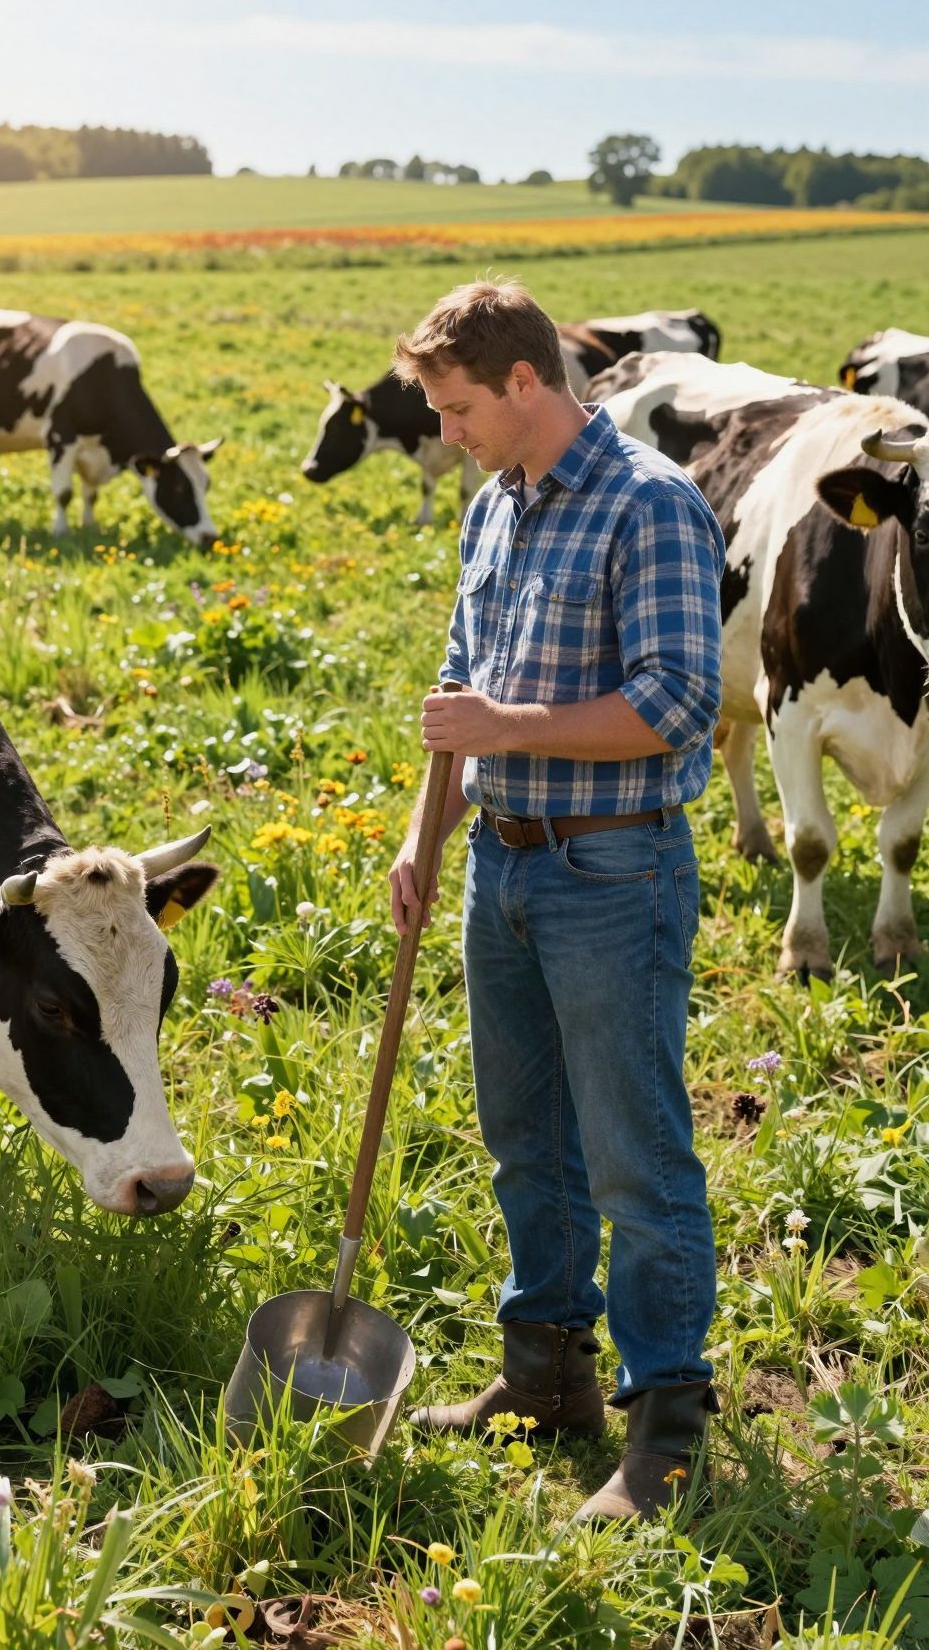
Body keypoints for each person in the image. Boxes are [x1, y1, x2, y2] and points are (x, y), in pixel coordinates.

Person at [387, 278, 724, 1523]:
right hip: (502, 864)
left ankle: (666, 1425)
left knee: (634, 1150)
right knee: (524, 1136)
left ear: (527, 382)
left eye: (458, 406)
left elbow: (676, 701)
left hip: (613, 868)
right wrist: (427, 837)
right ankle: (546, 1375)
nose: (447, 432)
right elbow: (457, 694)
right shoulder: (495, 509)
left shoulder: (652, 505)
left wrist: (504, 727)